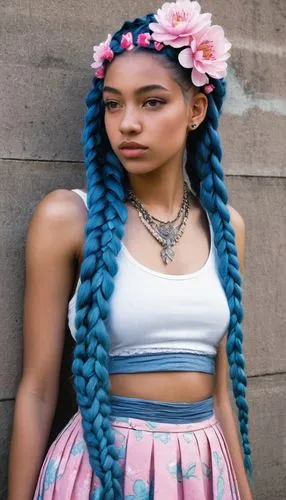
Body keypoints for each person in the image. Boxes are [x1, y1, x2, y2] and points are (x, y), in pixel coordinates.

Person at [8, 1, 254, 498]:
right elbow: (36, 391)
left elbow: (224, 395)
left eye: (152, 101)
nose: (126, 124)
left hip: (204, 469)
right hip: (100, 471)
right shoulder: (66, 218)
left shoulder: (227, 228)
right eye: (113, 103)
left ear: (196, 110)